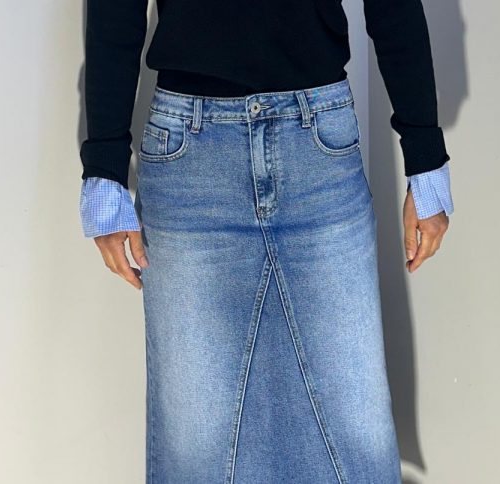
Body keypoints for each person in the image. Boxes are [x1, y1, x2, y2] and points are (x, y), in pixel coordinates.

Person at [78, 0, 454, 482]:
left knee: (356, 429)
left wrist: (425, 159)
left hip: (317, 144)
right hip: (190, 159)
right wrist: (104, 171)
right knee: (197, 439)